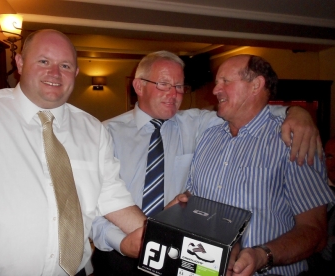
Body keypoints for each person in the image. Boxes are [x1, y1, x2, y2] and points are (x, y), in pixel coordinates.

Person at [0, 29, 146, 276]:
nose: (55, 73)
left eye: (65, 65)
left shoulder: (92, 129)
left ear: (76, 73)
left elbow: (111, 195)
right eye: (44, 61)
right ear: (20, 63)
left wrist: (158, 237)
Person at [90, 51, 322, 275]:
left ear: (255, 84)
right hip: (119, 256)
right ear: (139, 86)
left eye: (180, 86)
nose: (174, 94)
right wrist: (121, 242)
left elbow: (252, 112)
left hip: (181, 258)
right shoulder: (103, 133)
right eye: (164, 84)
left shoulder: (200, 125)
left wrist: (297, 112)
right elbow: (92, 202)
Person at [174, 54, 335, 275]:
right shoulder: (208, 137)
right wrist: (185, 205)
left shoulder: (292, 140)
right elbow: (195, 200)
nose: (214, 90)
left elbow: (314, 232)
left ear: (256, 85)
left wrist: (262, 255)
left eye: (225, 81)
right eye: (217, 81)